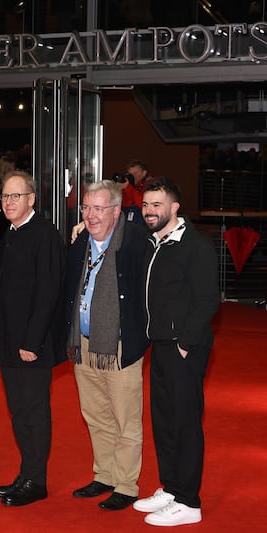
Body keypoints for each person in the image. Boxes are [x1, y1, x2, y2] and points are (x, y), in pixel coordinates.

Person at [133, 177, 219, 527]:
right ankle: (171, 488)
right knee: (164, 421)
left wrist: (185, 343)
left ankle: (188, 501)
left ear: (174, 207)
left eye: (157, 204)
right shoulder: (155, 241)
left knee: (185, 423)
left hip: (184, 348)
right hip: (160, 345)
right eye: (145, 204)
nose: (149, 211)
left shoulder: (195, 245)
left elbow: (207, 299)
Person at [64, 180, 150, 511]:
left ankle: (126, 485)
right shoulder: (80, 242)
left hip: (118, 346)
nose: (91, 215)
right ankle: (105, 475)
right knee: (96, 415)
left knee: (125, 419)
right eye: (86, 208)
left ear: (116, 211)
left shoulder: (135, 243)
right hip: (84, 345)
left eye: (99, 208)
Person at [0, 171, 64, 506]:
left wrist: (32, 343)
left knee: (34, 412)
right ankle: (26, 474)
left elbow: (49, 292)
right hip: (9, 342)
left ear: (31, 199)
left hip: (32, 345)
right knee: (18, 412)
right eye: (5, 196)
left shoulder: (45, 234)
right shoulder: (10, 232)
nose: (8, 202)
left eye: (15, 196)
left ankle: (37, 481)